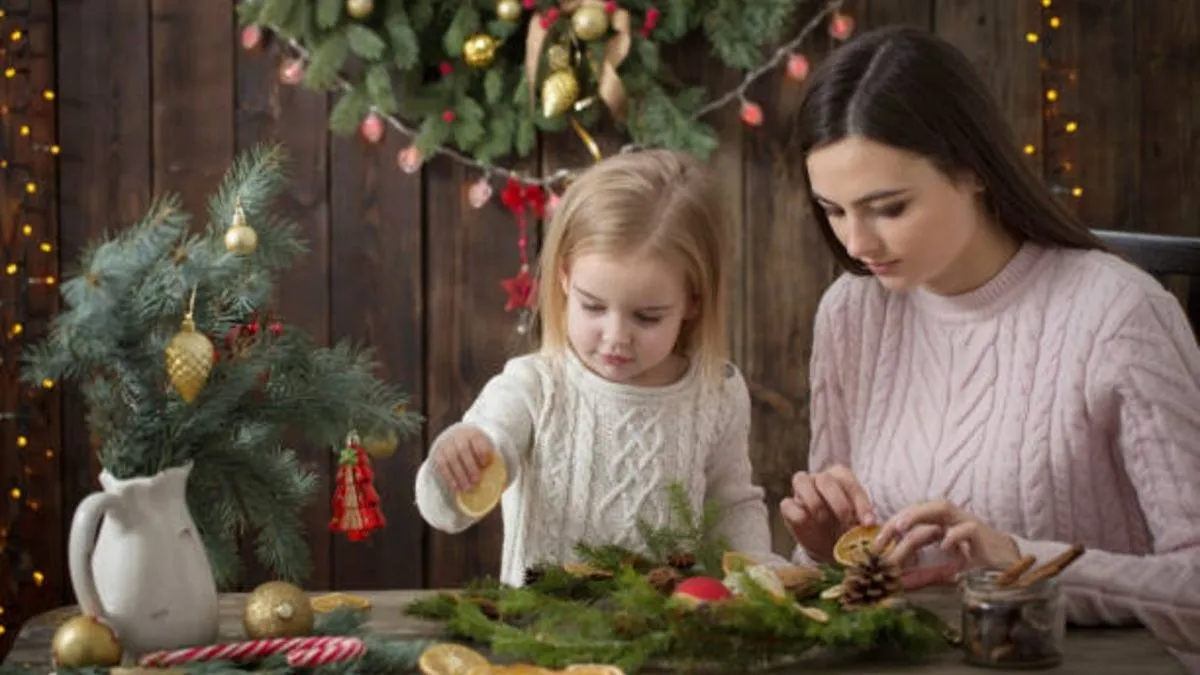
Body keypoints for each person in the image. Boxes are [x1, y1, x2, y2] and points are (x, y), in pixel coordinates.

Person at [780, 25, 1200, 659]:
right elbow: (840, 580)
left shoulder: (1119, 315)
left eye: (888, 208)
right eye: (834, 211)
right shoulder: (850, 314)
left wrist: (1017, 562)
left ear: (972, 170)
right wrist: (823, 546)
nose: (856, 246)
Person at [414, 149, 782, 588]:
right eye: (592, 306)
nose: (615, 336)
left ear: (694, 301)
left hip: (670, 638)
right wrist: (459, 458)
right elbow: (450, 509)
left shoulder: (716, 391)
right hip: (542, 638)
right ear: (566, 278)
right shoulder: (533, 385)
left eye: (647, 317)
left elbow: (733, 506)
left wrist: (758, 578)